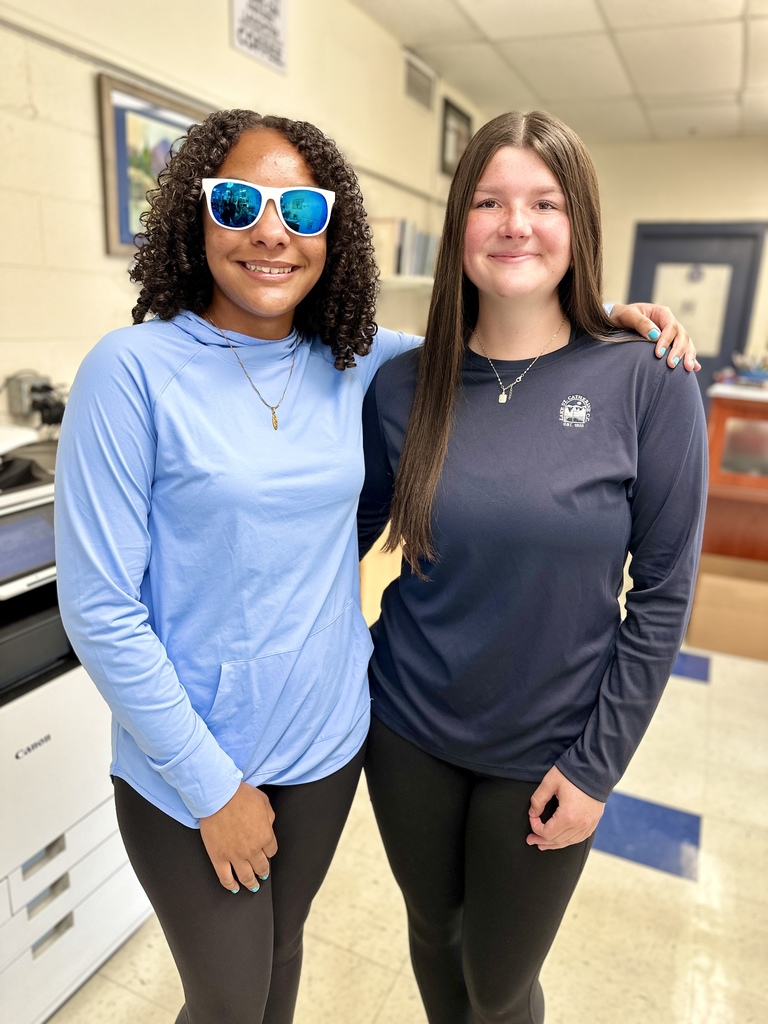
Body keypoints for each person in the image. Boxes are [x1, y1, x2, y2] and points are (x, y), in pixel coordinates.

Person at [54, 108, 698, 1024]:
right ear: (195, 217)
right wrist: (209, 780)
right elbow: (103, 607)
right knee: (242, 992)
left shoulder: (369, 366)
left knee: (352, 962)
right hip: (283, 741)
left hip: (351, 742)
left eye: (300, 211)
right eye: (237, 202)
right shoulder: (160, 371)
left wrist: (611, 323)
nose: (270, 232)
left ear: (333, 234)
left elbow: (658, 583)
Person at [358, 110, 708, 1024]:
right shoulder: (403, 386)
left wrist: (597, 769)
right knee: (433, 934)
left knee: (499, 985)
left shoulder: (649, 379)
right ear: (459, 225)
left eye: (545, 203)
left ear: (578, 223)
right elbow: (330, 542)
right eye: (490, 201)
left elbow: (663, 595)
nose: (516, 223)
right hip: (405, 728)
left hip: (549, 747)